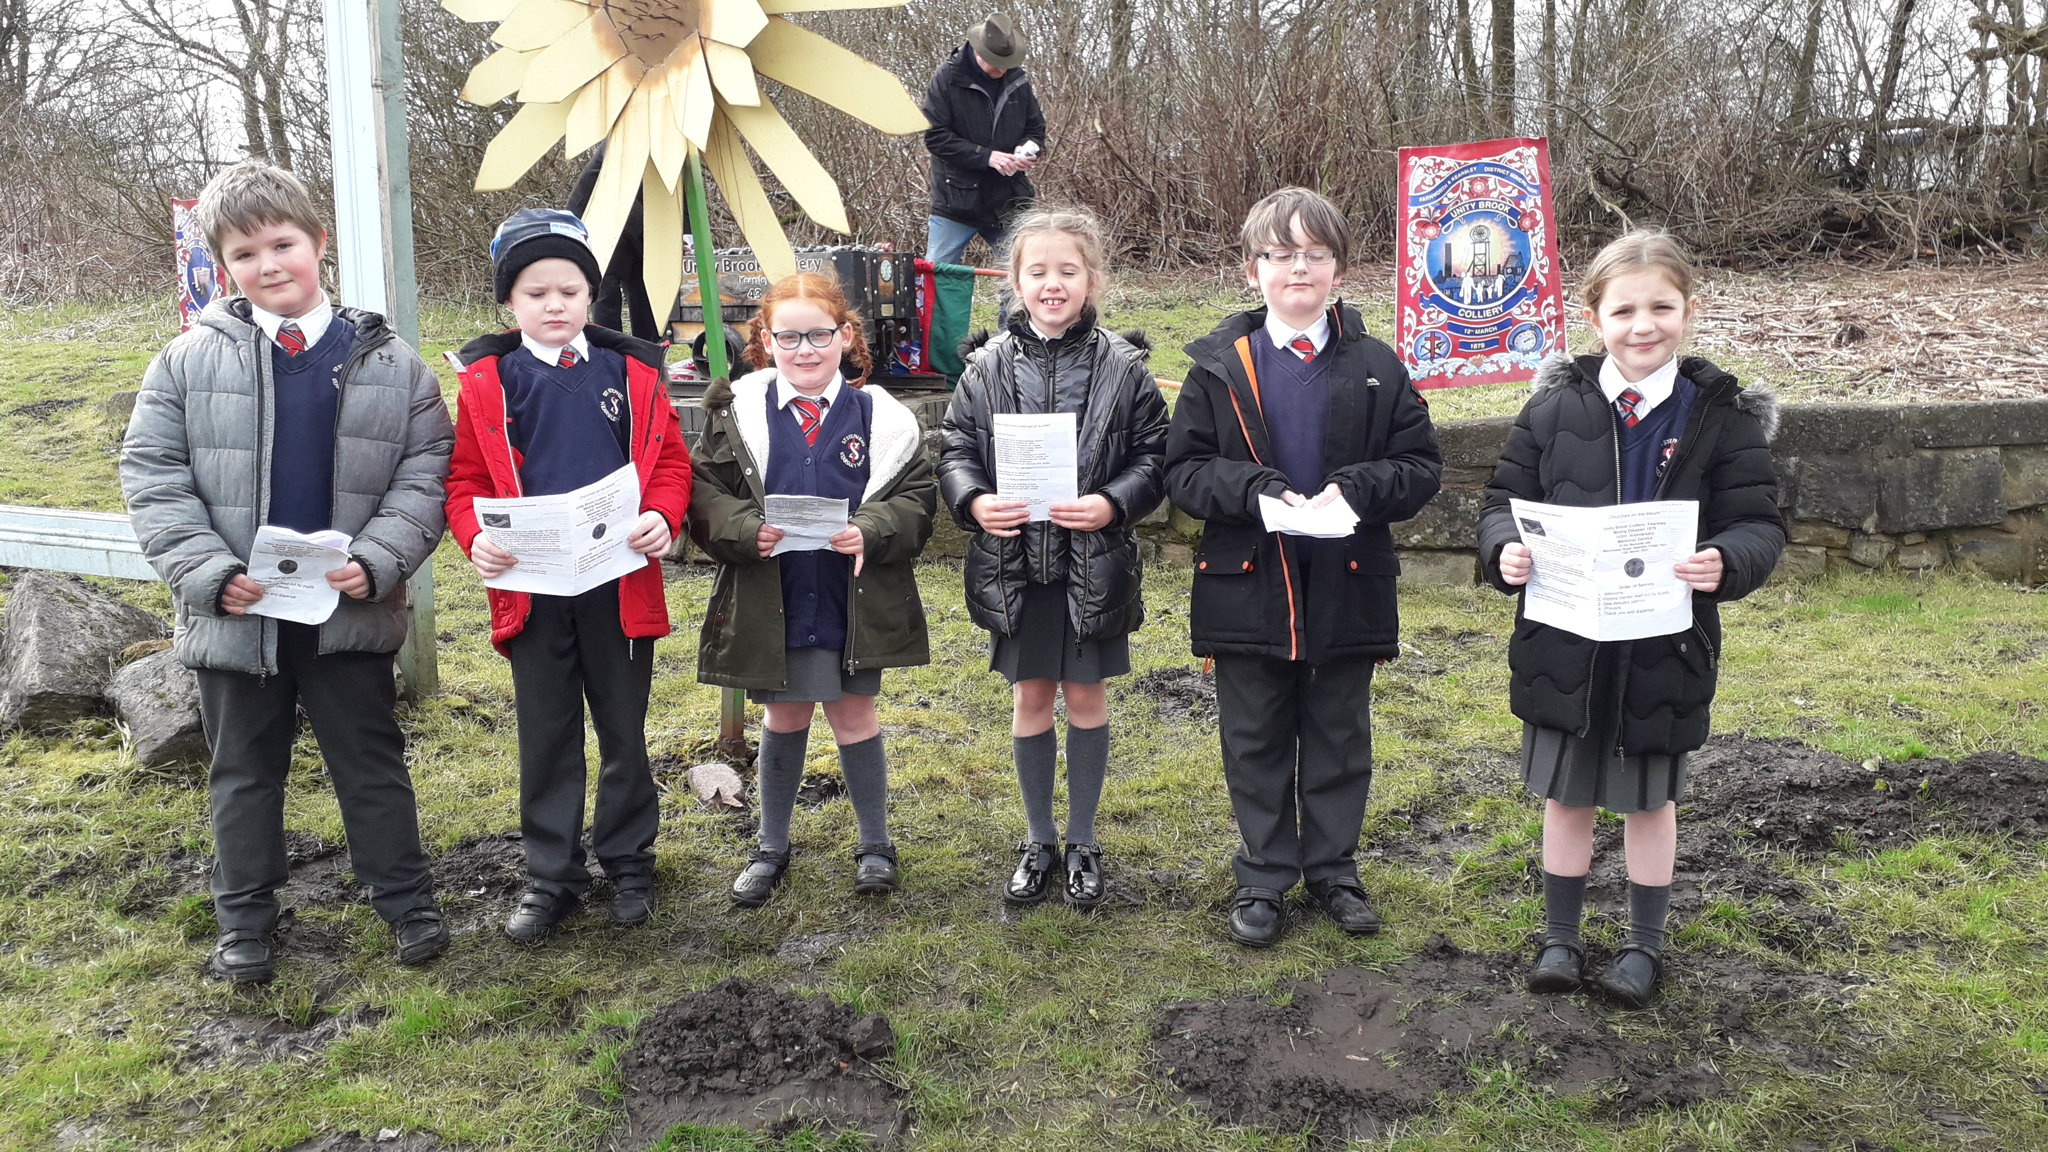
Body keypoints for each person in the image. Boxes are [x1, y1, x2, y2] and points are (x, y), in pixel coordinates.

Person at [120, 159, 453, 982]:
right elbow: (152, 474)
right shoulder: (186, 362)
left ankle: (406, 901)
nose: (268, 265)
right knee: (243, 771)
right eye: (244, 253)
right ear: (221, 266)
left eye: (283, 243)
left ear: (318, 243)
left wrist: (377, 560)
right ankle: (245, 918)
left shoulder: (392, 364)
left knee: (370, 761)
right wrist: (205, 572)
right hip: (239, 613)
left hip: (345, 612)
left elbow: (426, 472)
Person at [1478, 229, 1785, 1008]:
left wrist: (1727, 559)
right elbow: (1500, 505)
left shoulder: (1722, 416)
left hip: (1664, 646)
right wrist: (1505, 551)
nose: (1643, 325)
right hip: (1565, 644)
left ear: (1688, 308)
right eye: (1624, 310)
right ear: (1594, 315)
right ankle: (1560, 938)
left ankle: (1644, 947)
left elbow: (1759, 522)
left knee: (1651, 800)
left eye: (1661, 307)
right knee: (1566, 795)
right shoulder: (1552, 409)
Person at [1164, 187, 1442, 948]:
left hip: (1348, 580)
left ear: (1339, 270)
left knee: (1339, 731)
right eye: (1281, 255)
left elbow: (1420, 467)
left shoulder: (1379, 365)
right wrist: (1257, 492)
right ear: (1253, 270)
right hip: (1247, 582)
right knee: (1253, 734)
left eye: (1314, 255)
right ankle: (1262, 875)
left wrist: (1357, 488)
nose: (1298, 269)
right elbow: (1183, 472)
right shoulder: (1219, 368)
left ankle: (1333, 870)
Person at [444, 208, 693, 942]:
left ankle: (628, 859)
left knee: (624, 730)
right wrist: (473, 541)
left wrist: (663, 518)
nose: (554, 306)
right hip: (533, 590)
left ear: (591, 296)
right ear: (508, 304)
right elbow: (461, 483)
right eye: (535, 293)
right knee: (547, 736)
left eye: (569, 291)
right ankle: (552, 875)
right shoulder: (490, 382)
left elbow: (672, 465)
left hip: (619, 585)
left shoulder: (633, 372)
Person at [938, 209, 1170, 907]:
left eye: (1067, 271)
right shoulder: (982, 368)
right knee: (1031, 697)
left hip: (1092, 565)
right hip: (1016, 568)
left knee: (1088, 697)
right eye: (1037, 272)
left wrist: (1113, 504)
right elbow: (954, 448)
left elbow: (1155, 455)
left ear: (1091, 279)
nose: (1052, 284)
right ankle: (1040, 838)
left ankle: (1085, 838)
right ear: (1014, 281)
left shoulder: (1125, 368)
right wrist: (974, 503)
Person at [688, 272, 937, 907]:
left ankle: (875, 844)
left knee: (854, 712)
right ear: (765, 341)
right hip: (775, 591)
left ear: (844, 336)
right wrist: (745, 529)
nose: (805, 349)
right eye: (789, 336)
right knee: (786, 711)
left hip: (850, 593)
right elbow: (705, 492)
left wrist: (872, 530)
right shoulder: (737, 415)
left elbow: (916, 498)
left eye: (819, 334)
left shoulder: (880, 419)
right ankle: (771, 845)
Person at [921, 12, 1046, 267]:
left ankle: (1014, 311)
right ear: (979, 53)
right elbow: (935, 137)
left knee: (1023, 271)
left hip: (1008, 199)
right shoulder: (947, 79)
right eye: (996, 62)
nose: (1002, 68)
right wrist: (986, 157)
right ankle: (943, 310)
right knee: (938, 272)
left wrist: (1028, 148)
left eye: (1006, 62)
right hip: (956, 199)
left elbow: (1036, 128)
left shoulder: (1018, 79)